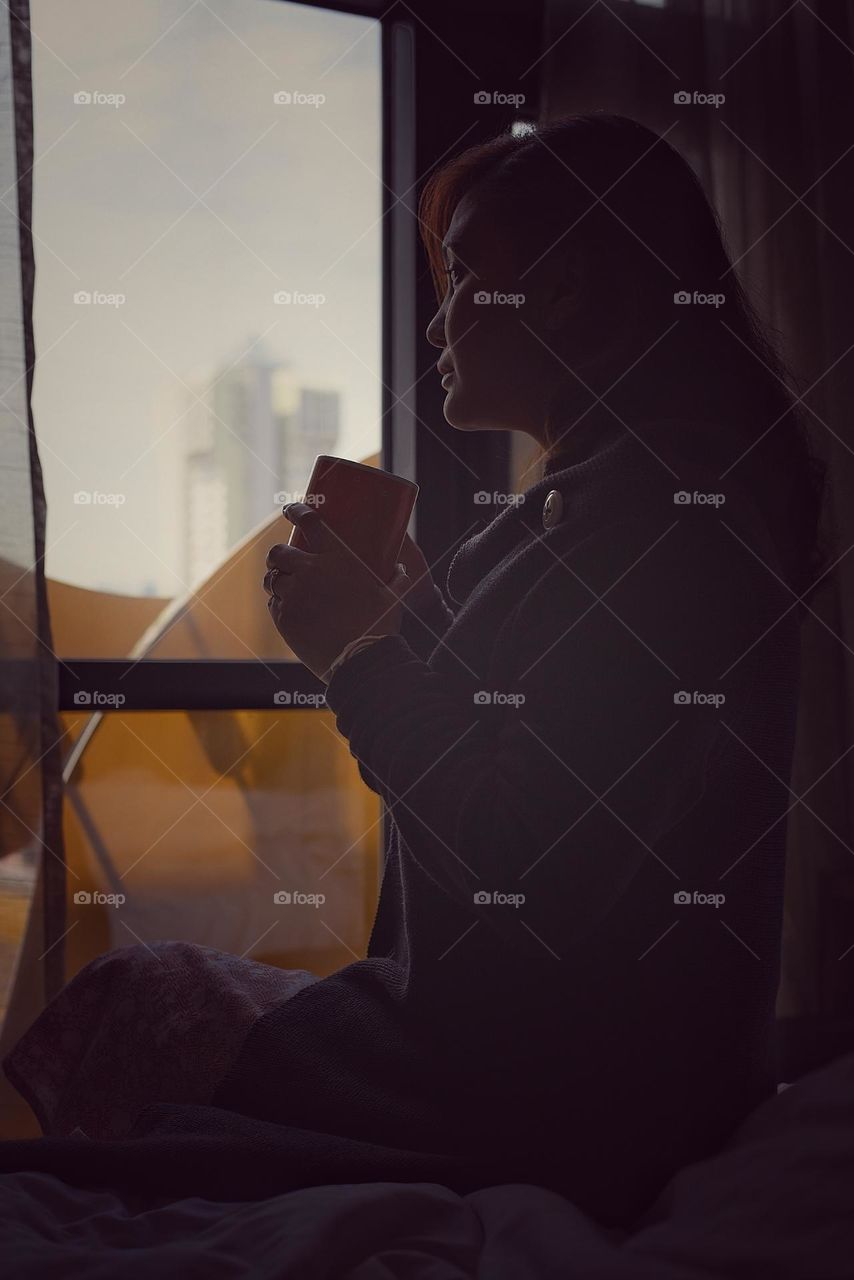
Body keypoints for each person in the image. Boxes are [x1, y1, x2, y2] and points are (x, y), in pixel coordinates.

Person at [4, 114, 827, 1227]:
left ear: (570, 290)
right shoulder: (614, 499)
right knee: (132, 996)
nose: (438, 320)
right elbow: (548, 737)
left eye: (464, 279)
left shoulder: (657, 522)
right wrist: (408, 611)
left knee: (127, 1014)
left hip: (532, 1095)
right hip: (528, 1062)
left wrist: (361, 646)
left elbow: (522, 854)